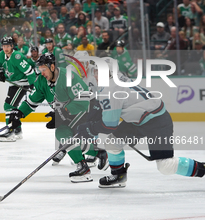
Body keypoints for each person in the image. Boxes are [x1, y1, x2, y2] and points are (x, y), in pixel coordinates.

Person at [77, 57, 205, 188]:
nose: (95, 74)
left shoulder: (110, 88)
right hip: (138, 119)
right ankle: (118, 175)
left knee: (165, 165)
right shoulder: (116, 79)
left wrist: (90, 129)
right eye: (95, 71)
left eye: (98, 71)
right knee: (112, 143)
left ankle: (202, 168)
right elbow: (101, 107)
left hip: (157, 121)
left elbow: (109, 125)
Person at [7, 52, 105, 182]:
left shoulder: (67, 76)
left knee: (67, 137)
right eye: (40, 70)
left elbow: (84, 99)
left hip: (84, 111)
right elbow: (32, 101)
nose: (41, 73)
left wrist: (62, 112)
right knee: (63, 135)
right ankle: (93, 158)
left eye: (44, 69)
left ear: (52, 67)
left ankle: (90, 161)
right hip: (67, 114)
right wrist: (19, 113)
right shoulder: (42, 80)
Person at [0, 37, 36, 142]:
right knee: (11, 105)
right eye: (4, 46)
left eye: (8, 46)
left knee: (9, 105)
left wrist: (32, 85)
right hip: (14, 83)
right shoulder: (1, 55)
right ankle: (17, 129)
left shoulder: (17, 57)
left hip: (22, 83)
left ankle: (10, 130)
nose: (6, 48)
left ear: (12, 46)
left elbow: (30, 72)